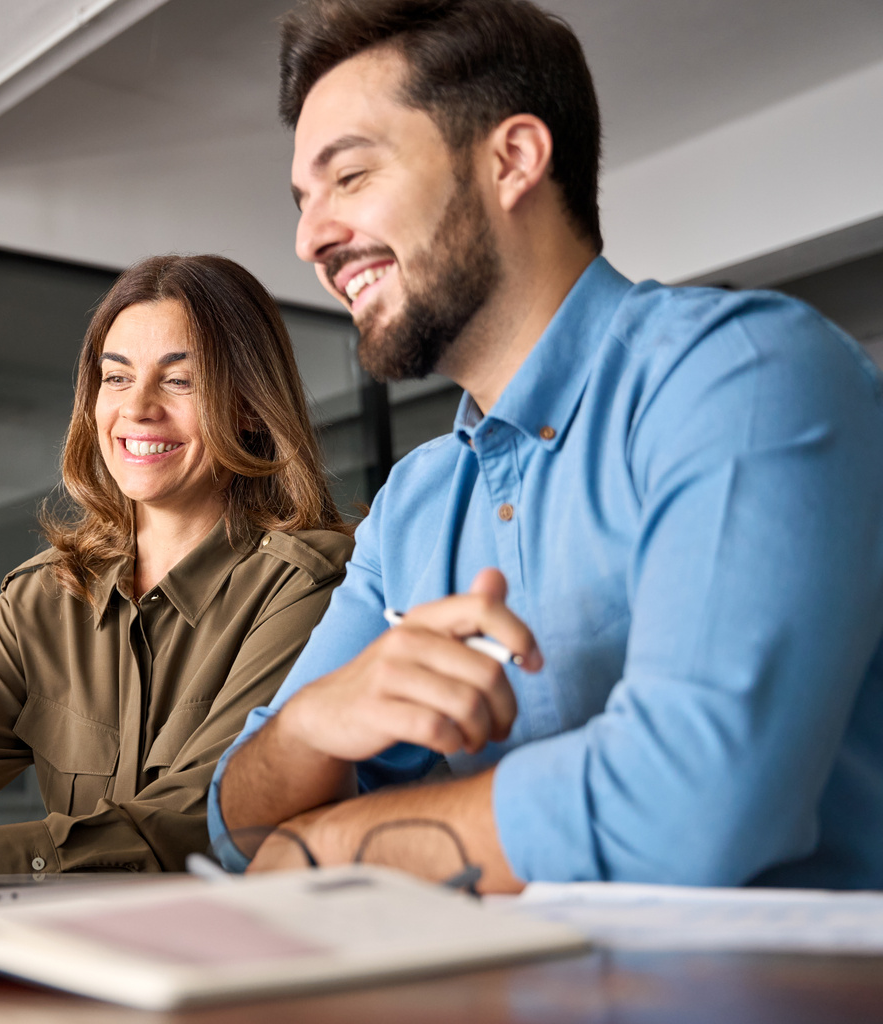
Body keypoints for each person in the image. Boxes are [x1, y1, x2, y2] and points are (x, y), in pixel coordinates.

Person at [208, 0, 883, 891]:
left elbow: (692, 809)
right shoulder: (411, 509)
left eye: (351, 177)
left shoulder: (743, 371)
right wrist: (306, 730)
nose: (308, 240)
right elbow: (235, 828)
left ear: (512, 159)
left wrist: (328, 843)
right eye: (303, 201)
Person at [0, 253, 354, 878]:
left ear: (249, 407)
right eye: (116, 377)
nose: (138, 408)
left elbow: (200, 814)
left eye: (180, 381)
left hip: (235, 955)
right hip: (71, 953)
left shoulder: (311, 584)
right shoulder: (45, 596)